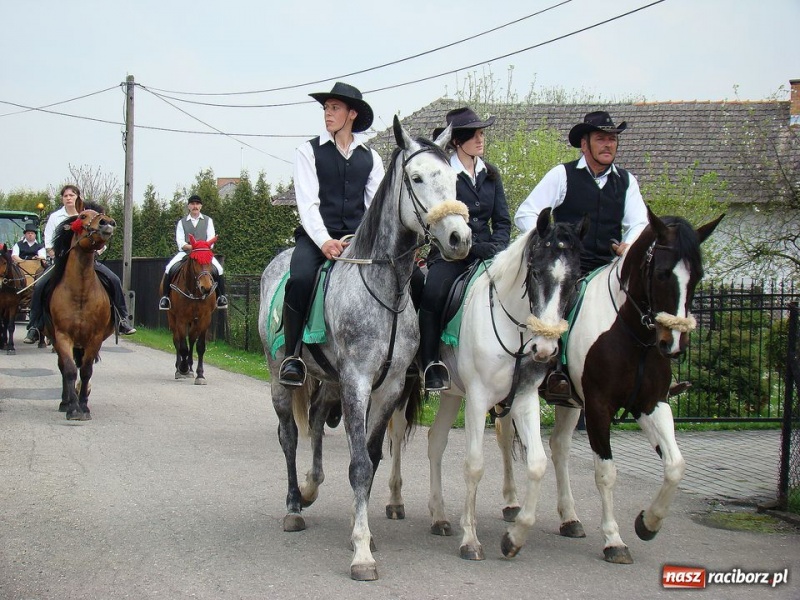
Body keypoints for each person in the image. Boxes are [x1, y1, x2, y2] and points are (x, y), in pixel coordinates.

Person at [514, 110, 649, 403]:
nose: (608, 145)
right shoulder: (562, 175)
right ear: (584, 145)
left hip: (610, 268)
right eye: (601, 139)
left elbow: (639, 221)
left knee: (646, 303)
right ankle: (555, 372)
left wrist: (630, 243)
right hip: (569, 270)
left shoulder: (626, 182)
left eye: (612, 139)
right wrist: (549, 242)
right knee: (560, 308)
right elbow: (525, 213)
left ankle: (648, 375)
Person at [279, 81, 385, 387]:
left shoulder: (372, 158)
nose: (328, 113)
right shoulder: (308, 151)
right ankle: (293, 355)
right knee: (299, 279)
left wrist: (359, 239)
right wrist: (324, 240)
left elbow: (374, 208)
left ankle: (404, 356)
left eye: (334, 108)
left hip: (357, 240)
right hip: (316, 239)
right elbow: (307, 203)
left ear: (352, 114)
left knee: (408, 279)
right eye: (326, 108)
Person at [417, 107, 512, 391]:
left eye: (482, 133)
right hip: (452, 254)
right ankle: (430, 363)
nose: (481, 139)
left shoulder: (491, 174)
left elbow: (503, 220)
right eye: (474, 134)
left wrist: (498, 246)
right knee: (432, 292)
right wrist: (472, 249)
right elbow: (440, 220)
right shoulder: (446, 174)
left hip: (491, 254)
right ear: (458, 141)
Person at [24, 185, 136, 344]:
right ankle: (35, 325)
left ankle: (122, 319)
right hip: (62, 261)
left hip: (89, 260)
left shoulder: (90, 215)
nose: (69, 198)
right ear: (62, 198)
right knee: (41, 284)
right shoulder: (55, 217)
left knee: (114, 280)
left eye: (72, 195)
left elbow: (101, 238)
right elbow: (48, 241)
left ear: (78, 197)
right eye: (66, 195)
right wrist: (56, 255)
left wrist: (97, 251)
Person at [158, 194, 228, 310]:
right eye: (192, 204)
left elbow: (211, 239)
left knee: (219, 269)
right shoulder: (182, 222)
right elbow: (180, 242)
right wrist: (192, 247)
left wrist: (201, 247)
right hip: (186, 252)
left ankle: (221, 297)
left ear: (201, 206)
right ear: (189, 206)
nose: (195, 206)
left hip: (204, 253)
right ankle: (165, 298)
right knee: (169, 268)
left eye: (197, 204)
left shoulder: (208, 220)